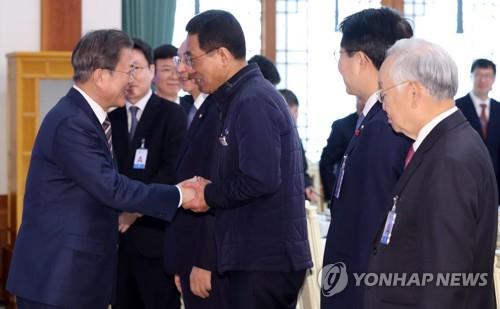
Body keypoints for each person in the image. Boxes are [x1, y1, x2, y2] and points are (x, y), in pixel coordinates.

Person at [6, 29, 198, 309]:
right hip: (57, 279)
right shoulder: (72, 123)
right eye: (126, 71)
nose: (131, 80)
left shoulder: (87, 118)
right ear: (100, 75)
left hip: (74, 277)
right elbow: (113, 188)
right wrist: (179, 195)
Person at [181, 10, 312, 308]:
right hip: (253, 256)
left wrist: (208, 193)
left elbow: (260, 178)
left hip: (265, 260)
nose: (189, 69)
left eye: (194, 58)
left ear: (223, 55)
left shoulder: (252, 100)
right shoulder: (236, 98)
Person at [365, 38, 497, 309]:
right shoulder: (447, 142)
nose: (382, 103)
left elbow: (445, 282)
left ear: (413, 92)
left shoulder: (449, 160)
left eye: (384, 92)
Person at [321, 8, 413, 309]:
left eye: (341, 54)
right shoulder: (374, 118)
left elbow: (372, 222)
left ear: (361, 60)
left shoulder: (387, 124)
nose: (338, 64)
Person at [108, 38, 186, 309]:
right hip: (116, 243)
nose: (131, 77)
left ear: (152, 70)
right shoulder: (112, 117)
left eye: (137, 68)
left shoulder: (171, 115)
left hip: (154, 240)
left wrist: (134, 210)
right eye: (125, 70)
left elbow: (171, 172)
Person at [163, 39, 229, 309]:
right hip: (188, 251)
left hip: (206, 258)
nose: (181, 69)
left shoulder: (219, 112)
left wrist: (204, 261)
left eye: (188, 60)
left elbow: (217, 190)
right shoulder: (192, 111)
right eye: (179, 61)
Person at [456, 59, 500, 194]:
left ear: (493, 79)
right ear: (471, 77)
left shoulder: (499, 109)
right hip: (464, 179)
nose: (482, 80)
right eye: (478, 75)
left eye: (487, 76)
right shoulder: (457, 107)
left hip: (496, 183)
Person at [319, 97, 363, 202]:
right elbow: (326, 163)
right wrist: (332, 196)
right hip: (346, 196)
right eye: (359, 99)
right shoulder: (342, 126)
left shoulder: (386, 123)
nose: (362, 103)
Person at [279, 88, 319, 203]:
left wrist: (307, 185)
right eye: (295, 111)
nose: (297, 116)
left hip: (295, 199)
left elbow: (302, 169)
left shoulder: (295, 136)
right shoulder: (270, 137)